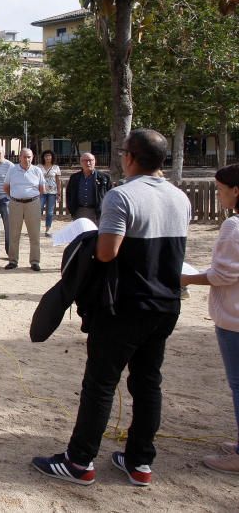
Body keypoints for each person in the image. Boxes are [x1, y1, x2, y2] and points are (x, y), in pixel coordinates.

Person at [32, 129, 191, 487]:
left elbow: (107, 252)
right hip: (165, 303)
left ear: (130, 157)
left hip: (124, 306)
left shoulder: (122, 196)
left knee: (101, 384)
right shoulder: (180, 198)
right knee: (149, 383)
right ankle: (140, 462)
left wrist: (85, 238)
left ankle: (79, 461)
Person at [180, 165, 239, 473]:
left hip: (234, 318)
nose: (218, 195)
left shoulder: (233, 227)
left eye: (220, 189)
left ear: (235, 191)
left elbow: (222, 274)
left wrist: (188, 279)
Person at [3, 148, 46, 271]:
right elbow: (6, 187)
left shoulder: (37, 170)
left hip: (33, 203)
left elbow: (42, 189)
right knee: (14, 234)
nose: (27, 159)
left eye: (29, 157)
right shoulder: (12, 170)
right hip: (15, 204)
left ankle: (35, 261)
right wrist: (14, 197)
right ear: (19, 157)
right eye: (24, 157)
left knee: (34, 234)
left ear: (33, 157)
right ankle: (13, 260)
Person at [65, 152, 111, 225]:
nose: (88, 163)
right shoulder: (74, 177)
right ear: (81, 162)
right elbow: (69, 193)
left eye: (91, 160)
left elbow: (110, 194)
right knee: (80, 234)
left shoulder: (104, 177)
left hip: (97, 212)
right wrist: (71, 208)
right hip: (79, 211)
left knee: (96, 234)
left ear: (95, 161)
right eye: (85, 160)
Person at [39, 150, 62, 237]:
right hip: (41, 192)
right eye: (46, 156)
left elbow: (58, 181)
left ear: (52, 157)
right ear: (43, 157)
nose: (47, 157)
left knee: (50, 212)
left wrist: (59, 193)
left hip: (52, 192)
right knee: (38, 210)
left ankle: (48, 229)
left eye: (49, 156)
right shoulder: (39, 167)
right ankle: (36, 228)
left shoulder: (56, 167)